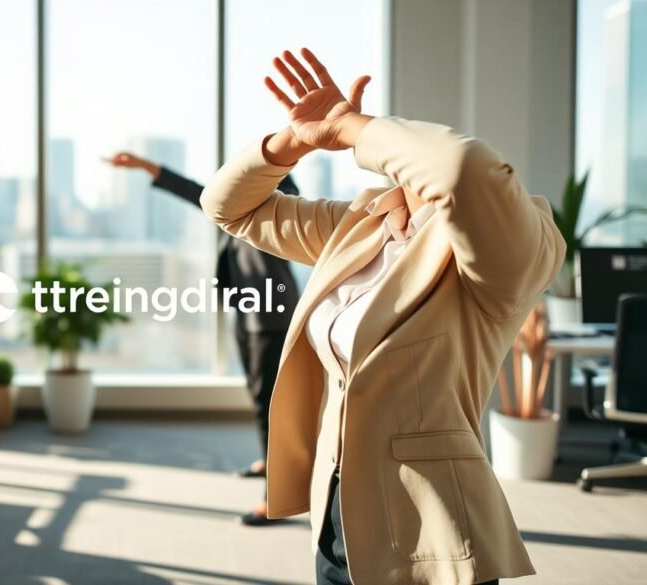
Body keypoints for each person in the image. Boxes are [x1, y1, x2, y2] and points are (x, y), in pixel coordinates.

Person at [200, 47, 564, 585]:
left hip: (430, 529)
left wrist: (353, 128)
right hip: (338, 516)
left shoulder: (507, 252)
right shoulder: (361, 227)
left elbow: (463, 170)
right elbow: (227, 207)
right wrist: (294, 141)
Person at [104, 152, 300, 526]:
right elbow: (196, 192)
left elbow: (287, 199)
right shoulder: (235, 207)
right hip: (249, 312)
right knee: (258, 395)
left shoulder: (278, 195)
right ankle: (269, 460)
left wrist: (267, 173)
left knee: (269, 404)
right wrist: (146, 166)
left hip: (272, 317)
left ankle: (276, 497)